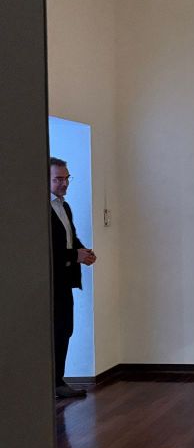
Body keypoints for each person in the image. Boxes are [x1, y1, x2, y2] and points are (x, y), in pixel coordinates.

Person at [50, 158, 96, 399]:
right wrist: (73, 254)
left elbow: (70, 238)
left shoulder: (64, 207)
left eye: (66, 178)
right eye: (58, 179)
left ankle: (58, 380)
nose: (64, 183)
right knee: (54, 330)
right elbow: (44, 249)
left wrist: (83, 251)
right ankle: (52, 382)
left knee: (65, 329)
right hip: (48, 282)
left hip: (65, 280)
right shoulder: (40, 208)